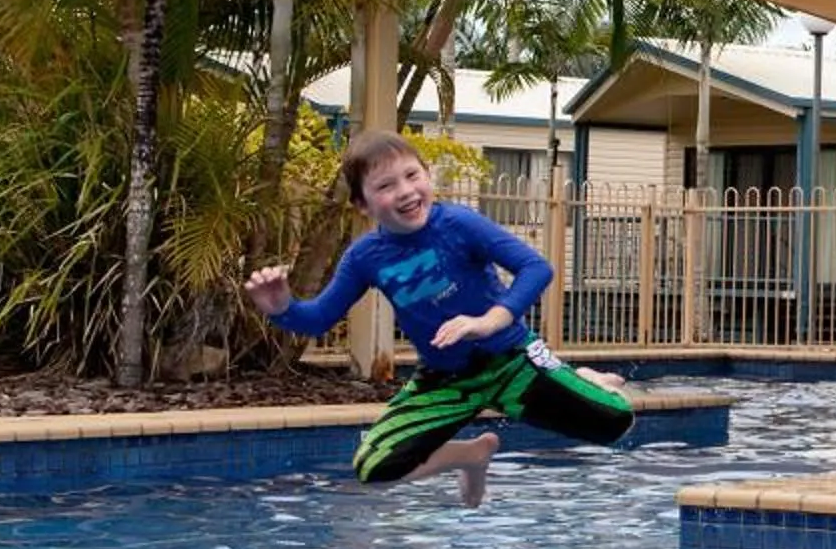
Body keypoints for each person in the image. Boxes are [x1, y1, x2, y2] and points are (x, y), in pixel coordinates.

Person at [245, 129, 635, 506]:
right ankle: (468, 456)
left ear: (427, 175)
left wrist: (489, 321)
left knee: (617, 420)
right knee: (373, 466)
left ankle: (583, 376)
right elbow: (317, 319)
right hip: (445, 380)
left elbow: (535, 268)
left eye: (412, 175)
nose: (406, 192)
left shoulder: (458, 224)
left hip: (512, 361)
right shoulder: (365, 257)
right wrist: (281, 306)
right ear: (362, 206)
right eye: (385, 186)